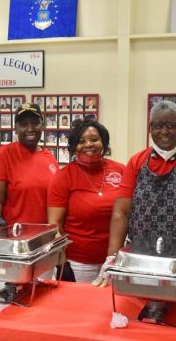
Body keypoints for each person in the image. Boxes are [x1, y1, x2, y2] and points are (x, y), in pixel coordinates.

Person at [94, 101, 176, 299]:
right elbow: (121, 212)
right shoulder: (137, 162)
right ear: (150, 129)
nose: (164, 131)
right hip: (141, 261)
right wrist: (111, 258)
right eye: (158, 126)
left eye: (171, 125)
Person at [48, 120, 125, 282]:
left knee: (111, 306)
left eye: (94, 139)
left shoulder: (120, 170)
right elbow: (55, 226)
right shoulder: (64, 177)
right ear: (74, 147)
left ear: (103, 142)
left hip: (116, 260)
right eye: (81, 141)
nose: (88, 145)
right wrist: (63, 265)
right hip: (79, 263)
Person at [0, 104, 59, 229]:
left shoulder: (49, 157)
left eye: (35, 123)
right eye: (23, 124)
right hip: (12, 236)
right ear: (16, 129)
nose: (30, 129)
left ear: (42, 126)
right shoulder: (3, 155)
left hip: (41, 236)